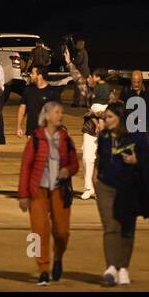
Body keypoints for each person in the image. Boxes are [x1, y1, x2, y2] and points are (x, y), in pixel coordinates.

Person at [95, 103, 149, 286]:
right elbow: (100, 158)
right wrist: (95, 178)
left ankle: (123, 267)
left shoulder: (136, 137)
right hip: (105, 187)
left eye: (110, 117)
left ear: (120, 118)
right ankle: (111, 267)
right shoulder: (104, 136)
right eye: (105, 117)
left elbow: (147, 159)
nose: (106, 120)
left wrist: (136, 160)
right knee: (111, 226)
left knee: (126, 229)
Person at [17, 101, 78, 285]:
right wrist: (23, 195)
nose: (61, 115)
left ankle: (58, 257)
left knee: (62, 231)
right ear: (47, 116)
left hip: (60, 190)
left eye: (62, 112)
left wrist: (68, 170)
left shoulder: (66, 138)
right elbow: (26, 166)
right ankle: (43, 269)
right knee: (39, 231)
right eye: (57, 112)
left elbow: (75, 163)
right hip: (38, 191)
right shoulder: (35, 138)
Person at [16, 62, 58, 139]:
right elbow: (22, 109)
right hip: (31, 132)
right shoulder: (28, 90)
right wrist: (19, 127)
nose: (30, 75)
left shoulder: (51, 92)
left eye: (32, 73)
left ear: (40, 76)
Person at [79, 103, 105, 199]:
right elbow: (90, 112)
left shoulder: (112, 107)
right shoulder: (93, 103)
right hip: (90, 132)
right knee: (87, 159)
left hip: (105, 134)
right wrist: (96, 123)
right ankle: (88, 188)